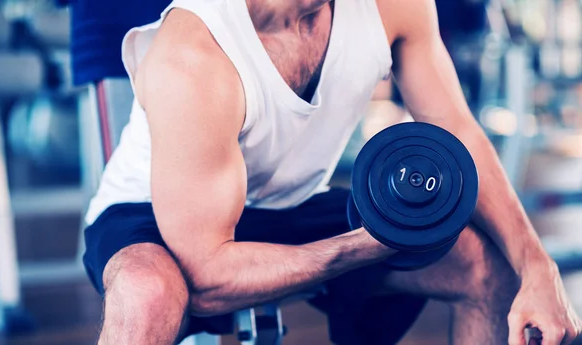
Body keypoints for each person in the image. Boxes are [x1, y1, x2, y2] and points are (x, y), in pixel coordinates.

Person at [82, 1, 582, 345]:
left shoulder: (392, 5)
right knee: (146, 291)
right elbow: (210, 274)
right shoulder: (191, 55)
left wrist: (538, 266)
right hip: (158, 213)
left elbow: (457, 132)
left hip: (293, 202)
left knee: (486, 265)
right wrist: (373, 241)